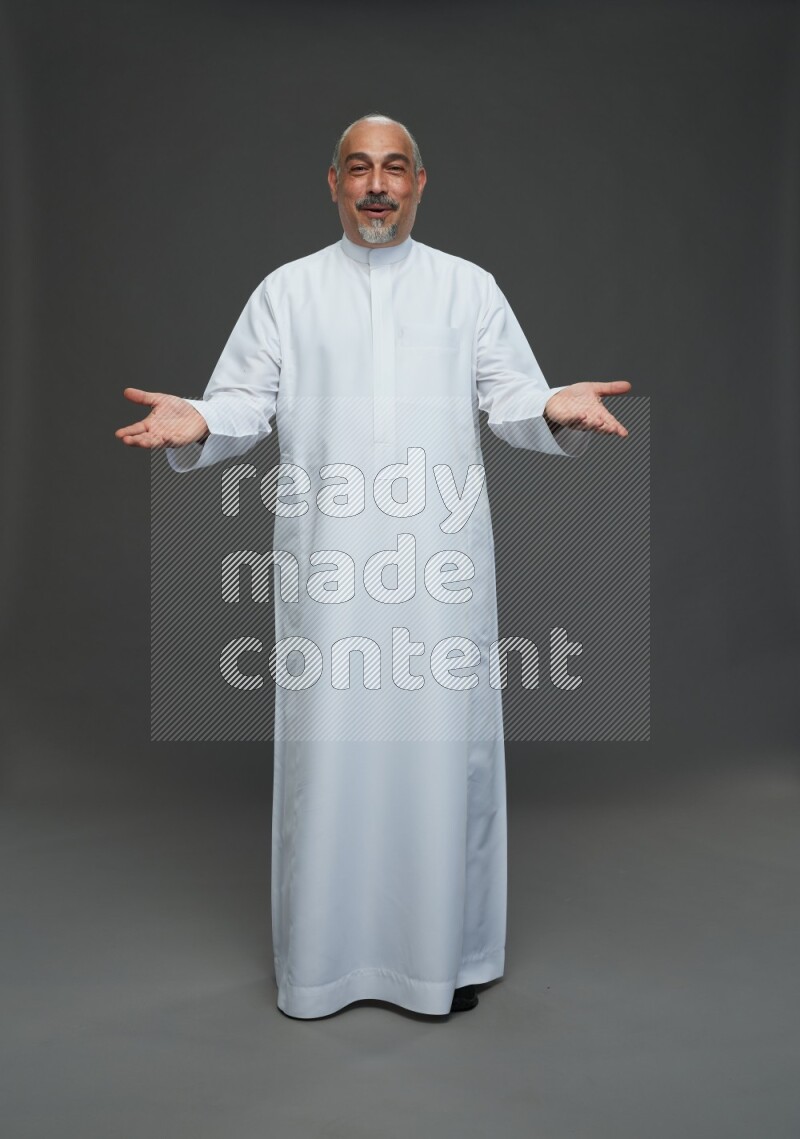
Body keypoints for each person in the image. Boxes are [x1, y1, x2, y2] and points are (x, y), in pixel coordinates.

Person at [116, 114, 631, 1019]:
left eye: (395, 168)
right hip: (330, 574)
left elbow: (512, 395)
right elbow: (242, 400)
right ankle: (325, 965)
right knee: (329, 762)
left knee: (443, 758)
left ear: (421, 183)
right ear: (334, 183)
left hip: (439, 574)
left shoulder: (467, 289)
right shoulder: (287, 292)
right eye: (360, 168)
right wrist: (199, 419)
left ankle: (446, 958)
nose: (378, 185)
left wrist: (555, 403)